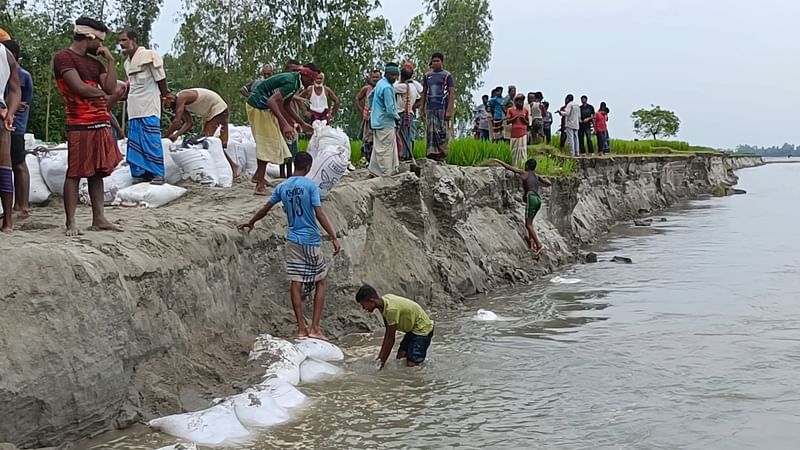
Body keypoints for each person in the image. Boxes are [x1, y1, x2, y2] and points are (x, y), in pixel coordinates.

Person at [238, 151, 341, 340]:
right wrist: (333, 236)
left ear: (294, 165)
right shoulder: (310, 186)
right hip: (310, 239)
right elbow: (319, 213)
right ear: (309, 167)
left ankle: (301, 328)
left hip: (292, 239)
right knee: (321, 281)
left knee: (296, 283)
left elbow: (265, 209)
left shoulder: (283, 187)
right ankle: (315, 328)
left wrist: (251, 222)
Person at [53, 17, 123, 236]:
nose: (102, 47)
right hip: (79, 122)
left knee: (97, 173)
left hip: (100, 122)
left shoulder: (96, 63)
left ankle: (99, 218)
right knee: (75, 172)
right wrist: (102, 93)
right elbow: (79, 88)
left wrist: (111, 61)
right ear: (90, 37)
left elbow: (111, 86)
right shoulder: (64, 57)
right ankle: (71, 222)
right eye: (101, 41)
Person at [247, 63, 318, 195]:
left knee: (273, 142)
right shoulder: (291, 82)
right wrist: (284, 124)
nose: (313, 83)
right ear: (305, 75)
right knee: (267, 143)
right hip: (259, 106)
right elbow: (272, 101)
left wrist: (301, 123)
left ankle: (258, 176)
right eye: (312, 80)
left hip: (264, 107)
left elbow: (285, 104)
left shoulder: (295, 82)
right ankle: (259, 185)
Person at [119, 28, 169, 184]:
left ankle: (157, 173)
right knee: (135, 142)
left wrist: (166, 95)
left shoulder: (149, 56)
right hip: (134, 107)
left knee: (151, 139)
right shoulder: (127, 62)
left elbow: (161, 79)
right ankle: (140, 173)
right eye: (120, 41)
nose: (122, 44)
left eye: (124, 40)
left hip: (149, 105)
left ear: (134, 41)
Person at [164, 88, 240, 177]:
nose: (168, 108)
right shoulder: (182, 102)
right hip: (211, 114)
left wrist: (165, 137)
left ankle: (233, 167)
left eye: (167, 105)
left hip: (218, 110)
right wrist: (177, 135)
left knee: (210, 142)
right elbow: (189, 123)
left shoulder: (182, 97)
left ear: (170, 99)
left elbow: (177, 121)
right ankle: (232, 166)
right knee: (208, 142)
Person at [355, 285, 435, 368]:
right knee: (400, 358)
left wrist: (381, 365)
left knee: (411, 364)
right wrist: (379, 359)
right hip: (412, 329)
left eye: (363, 304)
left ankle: (421, 370)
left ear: (371, 301)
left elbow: (390, 339)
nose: (363, 308)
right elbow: (387, 334)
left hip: (423, 329)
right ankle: (419, 361)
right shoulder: (384, 303)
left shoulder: (391, 310)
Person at [494, 158, 552, 255]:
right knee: (531, 222)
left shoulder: (525, 173)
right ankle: (531, 241)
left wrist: (498, 161)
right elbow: (549, 183)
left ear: (527, 166)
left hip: (531, 199)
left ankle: (539, 245)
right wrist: (539, 179)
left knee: (528, 225)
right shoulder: (536, 176)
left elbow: (510, 168)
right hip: (538, 200)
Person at [2, 40, 32, 221]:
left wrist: (8, 105)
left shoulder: (21, 75)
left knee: (18, 164)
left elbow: (19, 102)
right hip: (8, 122)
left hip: (15, 126)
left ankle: (22, 205)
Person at [0, 36, 21, 232]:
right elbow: (15, 89)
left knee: (4, 167)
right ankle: (7, 222)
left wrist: (9, 113)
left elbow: (15, 89)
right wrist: (10, 112)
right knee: (4, 167)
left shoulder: (5, 53)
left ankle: (7, 220)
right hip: (1, 112)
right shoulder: (5, 53)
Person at [420, 52, 455, 161]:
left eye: (437, 61)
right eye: (433, 61)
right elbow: (424, 92)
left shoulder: (447, 75)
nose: (435, 63)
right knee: (431, 131)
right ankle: (431, 153)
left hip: (442, 107)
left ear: (442, 62)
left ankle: (441, 154)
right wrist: (422, 108)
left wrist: (449, 110)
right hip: (430, 107)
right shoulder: (427, 76)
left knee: (442, 131)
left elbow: (451, 93)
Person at [368, 63, 400, 177]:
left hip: (377, 121)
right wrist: (397, 117)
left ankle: (374, 171)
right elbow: (390, 108)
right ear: (386, 74)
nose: (394, 78)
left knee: (378, 148)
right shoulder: (386, 87)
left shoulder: (380, 83)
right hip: (386, 122)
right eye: (392, 75)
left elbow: (370, 97)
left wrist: (374, 110)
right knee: (386, 150)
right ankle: (385, 173)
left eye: (396, 75)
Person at [394, 65, 422, 161]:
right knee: (409, 136)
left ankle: (403, 156)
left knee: (402, 136)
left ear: (401, 75)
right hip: (410, 113)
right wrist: (413, 106)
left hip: (402, 113)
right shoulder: (413, 86)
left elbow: (390, 89)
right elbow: (419, 98)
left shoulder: (403, 86)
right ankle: (408, 155)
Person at [355, 70, 380, 162]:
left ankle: (375, 159)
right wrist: (362, 111)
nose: (375, 79)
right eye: (373, 77)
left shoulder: (382, 88)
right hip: (368, 117)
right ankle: (366, 158)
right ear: (370, 78)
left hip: (378, 118)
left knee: (376, 138)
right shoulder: (366, 89)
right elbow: (357, 99)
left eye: (377, 77)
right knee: (366, 139)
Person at [507, 94, 530, 167]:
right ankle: (514, 165)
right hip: (514, 133)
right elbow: (508, 121)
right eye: (519, 102)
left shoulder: (525, 111)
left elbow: (528, 122)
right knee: (514, 150)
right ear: (515, 102)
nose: (521, 103)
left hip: (523, 132)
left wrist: (523, 119)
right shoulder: (510, 110)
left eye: (522, 102)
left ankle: (522, 165)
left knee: (522, 150)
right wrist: (515, 117)